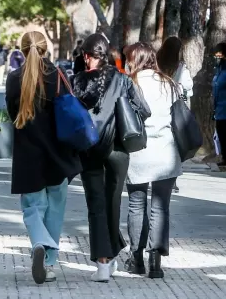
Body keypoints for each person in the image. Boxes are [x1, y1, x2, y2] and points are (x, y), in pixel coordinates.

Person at [6, 31, 82, 285]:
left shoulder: (14, 79)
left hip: (28, 153)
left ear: (23, 50)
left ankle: (38, 241)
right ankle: (49, 262)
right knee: (55, 209)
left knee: (32, 207)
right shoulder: (58, 76)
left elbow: (10, 114)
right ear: (45, 49)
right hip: (58, 154)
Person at [72, 34, 140, 282]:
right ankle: (111, 255)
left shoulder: (77, 81)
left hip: (88, 148)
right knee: (113, 202)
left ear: (86, 56)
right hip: (118, 148)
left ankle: (104, 261)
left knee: (95, 205)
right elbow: (143, 108)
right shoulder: (123, 79)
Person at [123, 42, 182, 280]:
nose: (126, 64)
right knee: (161, 207)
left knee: (136, 205)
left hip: (138, 152)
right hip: (166, 153)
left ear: (134, 60)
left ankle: (136, 258)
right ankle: (155, 260)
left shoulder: (130, 84)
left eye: (128, 59)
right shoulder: (169, 83)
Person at [156, 36, 192, 193]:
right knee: (175, 146)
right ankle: (172, 179)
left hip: (159, 107)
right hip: (177, 110)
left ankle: (157, 174)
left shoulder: (157, 64)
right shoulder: (181, 68)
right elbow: (188, 87)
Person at [157, 36, 194, 101]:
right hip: (174, 104)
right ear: (178, 52)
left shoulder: (156, 64)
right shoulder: (181, 69)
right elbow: (187, 88)